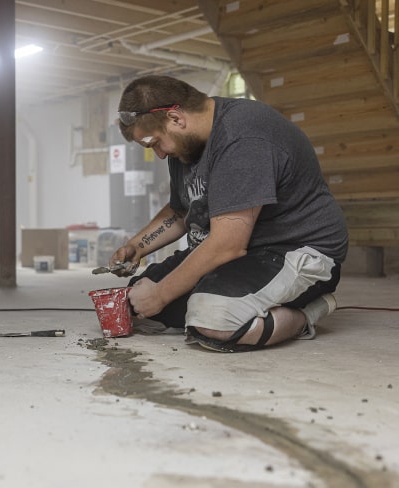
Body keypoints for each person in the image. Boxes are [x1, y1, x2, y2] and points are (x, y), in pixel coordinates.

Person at [110, 75, 348, 352]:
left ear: (176, 118)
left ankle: (308, 312)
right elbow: (182, 209)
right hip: (239, 250)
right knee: (136, 299)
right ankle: (226, 302)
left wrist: (162, 295)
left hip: (292, 249)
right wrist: (136, 246)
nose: (160, 154)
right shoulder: (184, 147)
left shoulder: (243, 134)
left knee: (213, 321)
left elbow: (227, 246)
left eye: (155, 143)